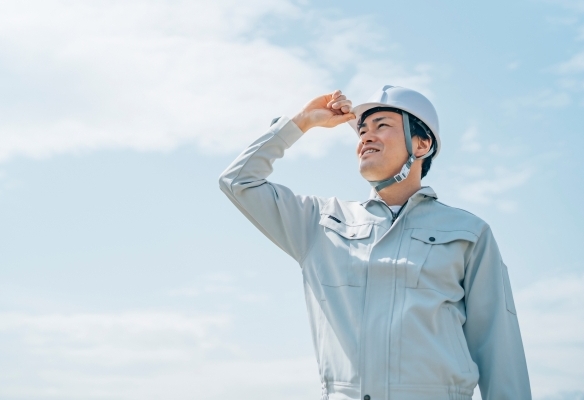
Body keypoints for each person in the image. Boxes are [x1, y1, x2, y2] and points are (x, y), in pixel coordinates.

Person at [218, 85, 531, 400]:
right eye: (362, 130)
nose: (366, 136)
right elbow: (238, 181)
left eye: (382, 126)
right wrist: (303, 121)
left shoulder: (468, 233)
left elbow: (499, 348)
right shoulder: (318, 222)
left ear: (422, 145)